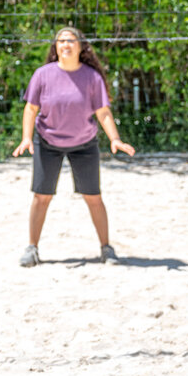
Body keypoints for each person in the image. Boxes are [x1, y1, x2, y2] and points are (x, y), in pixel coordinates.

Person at [12, 27, 135, 266]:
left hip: (84, 142)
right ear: (55, 48)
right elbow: (30, 109)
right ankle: (32, 249)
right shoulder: (42, 74)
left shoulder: (91, 77)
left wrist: (115, 139)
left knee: (93, 197)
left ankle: (106, 248)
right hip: (47, 141)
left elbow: (103, 112)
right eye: (61, 41)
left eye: (71, 41)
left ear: (81, 47)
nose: (65, 45)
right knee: (41, 196)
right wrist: (26, 138)